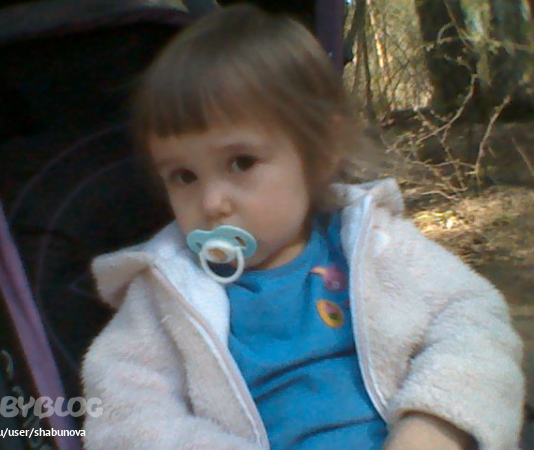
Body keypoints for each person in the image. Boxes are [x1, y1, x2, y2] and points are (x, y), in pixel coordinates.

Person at [81, 4, 525, 450]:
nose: (211, 202)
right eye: (184, 176)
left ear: (320, 151)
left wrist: (435, 424)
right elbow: (123, 413)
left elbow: (473, 318)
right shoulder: (166, 291)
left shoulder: (373, 244)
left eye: (241, 162)